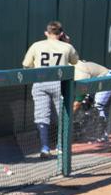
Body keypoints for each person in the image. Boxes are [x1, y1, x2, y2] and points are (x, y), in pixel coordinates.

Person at [22, 21, 79, 159]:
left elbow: (25, 65)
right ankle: (61, 147)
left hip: (41, 83)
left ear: (46, 33)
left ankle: (45, 148)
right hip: (60, 84)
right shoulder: (67, 46)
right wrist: (67, 42)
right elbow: (75, 61)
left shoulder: (37, 45)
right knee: (62, 116)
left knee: (42, 117)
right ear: (61, 34)